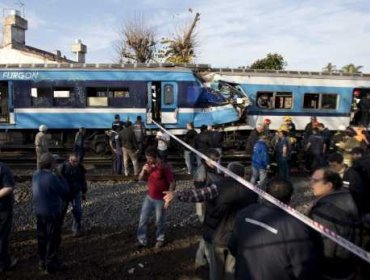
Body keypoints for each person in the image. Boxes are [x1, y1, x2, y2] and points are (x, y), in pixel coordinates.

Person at [164, 162, 258, 280]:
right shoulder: (251, 192)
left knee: (216, 271)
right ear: (243, 176)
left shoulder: (218, 187)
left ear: (226, 173)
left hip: (218, 236)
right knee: (231, 271)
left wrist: (177, 194)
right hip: (237, 238)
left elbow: (198, 194)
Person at [228, 178, 321, 280]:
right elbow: (303, 268)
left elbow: (232, 245)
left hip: (245, 274)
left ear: (265, 194)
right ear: (290, 198)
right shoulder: (297, 227)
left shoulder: (245, 213)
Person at [309, 167, 360, 280]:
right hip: (350, 263)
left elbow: (325, 247)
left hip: (331, 270)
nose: (310, 184)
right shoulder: (347, 195)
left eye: (315, 181)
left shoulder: (324, 212)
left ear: (329, 185)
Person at [32, 153, 69, 274]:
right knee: (52, 238)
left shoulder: (35, 174)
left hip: (39, 211)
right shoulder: (52, 177)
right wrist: (60, 176)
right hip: (52, 212)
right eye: (54, 162)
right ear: (51, 164)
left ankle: (42, 261)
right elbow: (64, 191)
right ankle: (51, 264)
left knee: (41, 237)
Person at [137, 148, 175, 248]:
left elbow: (172, 182)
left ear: (155, 157)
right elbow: (140, 179)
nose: (148, 160)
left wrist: (169, 196)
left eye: (150, 159)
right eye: (147, 158)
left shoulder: (164, 166)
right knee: (143, 219)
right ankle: (142, 240)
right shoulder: (148, 165)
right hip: (149, 197)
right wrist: (143, 170)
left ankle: (160, 239)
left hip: (160, 199)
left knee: (159, 221)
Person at [192, 148, 224, 267]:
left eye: (217, 160)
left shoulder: (211, 168)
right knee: (208, 231)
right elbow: (198, 187)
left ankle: (201, 258)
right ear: (207, 159)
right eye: (214, 160)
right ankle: (205, 259)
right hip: (203, 203)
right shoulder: (202, 169)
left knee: (208, 231)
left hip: (209, 201)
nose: (216, 162)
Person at [58, 153, 88, 237]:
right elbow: (56, 179)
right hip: (64, 193)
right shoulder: (62, 167)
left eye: (76, 161)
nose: (74, 163)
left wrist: (84, 192)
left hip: (76, 192)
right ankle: (58, 227)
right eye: (72, 161)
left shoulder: (80, 168)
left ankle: (76, 229)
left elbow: (83, 180)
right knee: (61, 211)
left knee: (78, 210)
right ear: (69, 159)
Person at [0, 162, 17, 273]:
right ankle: (3, 263)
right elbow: (8, 187)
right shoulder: (2, 167)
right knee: (2, 236)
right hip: (3, 208)